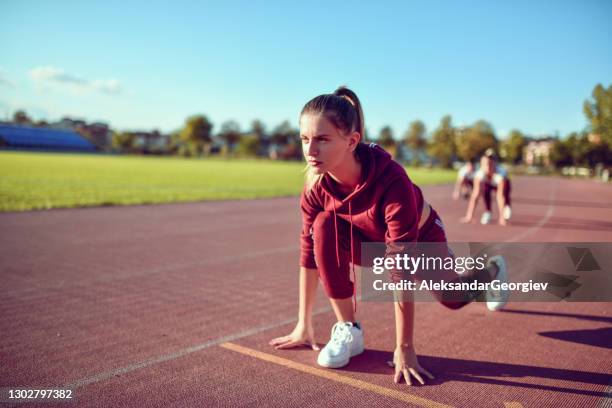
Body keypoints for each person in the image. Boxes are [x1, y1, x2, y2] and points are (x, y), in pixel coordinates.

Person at [269, 87, 508, 386]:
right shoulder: (316, 188)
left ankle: (492, 270)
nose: (310, 150)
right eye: (305, 139)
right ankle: (348, 328)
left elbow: (401, 266)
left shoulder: (392, 182)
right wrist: (304, 324)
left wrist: (404, 348)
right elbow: (309, 252)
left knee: (453, 297)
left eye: (322, 139)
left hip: (420, 240)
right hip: (369, 242)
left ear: (352, 140)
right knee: (321, 225)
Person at [461, 150, 512, 225]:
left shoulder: (501, 174)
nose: (487, 167)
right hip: (489, 184)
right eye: (484, 164)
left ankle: (506, 208)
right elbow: (475, 195)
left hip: (504, 184)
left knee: (505, 197)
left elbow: (500, 196)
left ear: (494, 164)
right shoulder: (479, 175)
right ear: (481, 165)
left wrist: (502, 218)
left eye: (490, 164)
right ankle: (488, 212)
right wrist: (469, 216)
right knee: (485, 190)